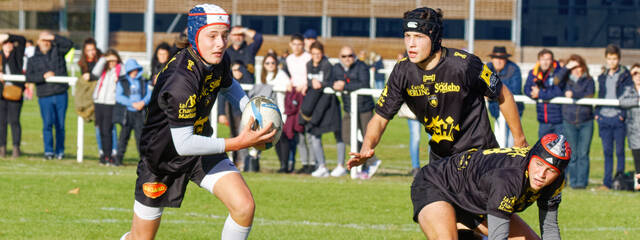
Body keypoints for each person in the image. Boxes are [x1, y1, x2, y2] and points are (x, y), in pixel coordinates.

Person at [120, 4, 275, 240]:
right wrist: (240, 142)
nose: (221, 43)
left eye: (224, 35)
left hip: (201, 148)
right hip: (163, 158)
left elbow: (228, 84)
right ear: (195, 35)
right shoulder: (181, 80)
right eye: (212, 35)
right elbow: (183, 144)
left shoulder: (218, 59)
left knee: (244, 207)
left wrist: (248, 108)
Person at [348, 7, 527, 167]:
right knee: (424, 200)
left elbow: (503, 94)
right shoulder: (402, 71)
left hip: (479, 159)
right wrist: (366, 147)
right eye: (407, 36)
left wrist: (519, 141)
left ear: (435, 38)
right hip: (441, 162)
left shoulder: (465, 65)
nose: (411, 43)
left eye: (418, 37)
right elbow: (380, 118)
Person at [411, 133, 570, 239]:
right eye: (539, 164)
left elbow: (549, 228)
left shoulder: (556, 183)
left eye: (550, 170)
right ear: (530, 157)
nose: (541, 174)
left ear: (559, 173)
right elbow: (498, 237)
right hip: (438, 184)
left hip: (476, 200)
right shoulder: (509, 178)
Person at [334, 46, 382, 179]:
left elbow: (364, 84)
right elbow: (331, 81)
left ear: (354, 56)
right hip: (349, 108)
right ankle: (371, 160)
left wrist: (344, 86)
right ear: (339, 57)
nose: (347, 59)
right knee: (346, 136)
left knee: (369, 138)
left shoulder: (361, 66)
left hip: (364, 107)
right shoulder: (337, 68)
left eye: (350, 55)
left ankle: (368, 164)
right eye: (344, 56)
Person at [298, 42, 345, 177]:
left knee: (338, 133)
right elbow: (309, 81)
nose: (316, 56)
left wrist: (322, 84)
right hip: (315, 104)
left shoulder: (328, 65)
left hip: (329, 103)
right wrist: (309, 83)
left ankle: (341, 165)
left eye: (318, 54)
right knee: (314, 132)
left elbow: (329, 82)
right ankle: (322, 166)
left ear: (322, 54)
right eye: (313, 54)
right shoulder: (308, 65)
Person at [25, 31, 73, 160]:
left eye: (48, 40)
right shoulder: (33, 59)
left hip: (60, 93)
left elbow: (69, 43)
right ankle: (48, 151)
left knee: (60, 125)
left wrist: (52, 36)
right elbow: (29, 77)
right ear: (38, 42)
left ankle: (60, 151)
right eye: (43, 40)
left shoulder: (58, 52)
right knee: (47, 124)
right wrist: (43, 76)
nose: (46, 42)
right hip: (44, 95)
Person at [596, 44, 632, 189]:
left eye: (614, 59)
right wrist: (597, 114)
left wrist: (622, 115)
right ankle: (607, 182)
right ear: (606, 59)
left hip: (618, 118)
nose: (612, 61)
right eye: (609, 59)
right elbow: (600, 95)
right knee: (607, 151)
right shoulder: (602, 77)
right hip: (604, 118)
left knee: (619, 151)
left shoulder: (625, 75)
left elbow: (628, 95)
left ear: (619, 59)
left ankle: (619, 180)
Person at [557, 54, 595, 189]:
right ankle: (573, 182)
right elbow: (556, 82)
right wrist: (566, 68)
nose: (576, 70)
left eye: (578, 66)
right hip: (569, 120)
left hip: (586, 121)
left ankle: (582, 183)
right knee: (572, 154)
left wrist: (573, 95)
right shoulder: (565, 80)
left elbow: (590, 94)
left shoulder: (589, 80)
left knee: (583, 153)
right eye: (573, 67)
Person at [284, 33, 315, 174]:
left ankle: (313, 163)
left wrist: (306, 84)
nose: (296, 47)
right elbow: (290, 76)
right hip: (294, 96)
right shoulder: (289, 59)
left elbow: (311, 75)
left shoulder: (308, 57)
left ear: (303, 45)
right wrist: (289, 83)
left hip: (306, 96)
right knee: (297, 131)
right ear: (290, 45)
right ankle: (304, 163)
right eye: (294, 44)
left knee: (307, 131)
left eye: (299, 44)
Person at [260, 53, 295, 173]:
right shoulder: (262, 76)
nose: (270, 65)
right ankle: (282, 165)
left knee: (283, 138)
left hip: (282, 111)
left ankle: (285, 166)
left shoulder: (281, 74)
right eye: (267, 63)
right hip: (267, 112)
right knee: (275, 139)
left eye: (272, 63)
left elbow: (288, 87)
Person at [114, 58, 151, 166]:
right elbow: (119, 96)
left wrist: (143, 103)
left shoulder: (144, 81)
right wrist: (132, 104)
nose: (134, 72)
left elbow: (149, 93)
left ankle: (144, 160)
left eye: (136, 69)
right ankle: (118, 159)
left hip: (140, 114)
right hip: (127, 114)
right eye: (132, 70)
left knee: (140, 137)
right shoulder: (122, 81)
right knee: (123, 136)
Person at [92, 49, 125, 165]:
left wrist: (117, 62)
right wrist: (104, 59)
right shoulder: (103, 70)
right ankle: (104, 154)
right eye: (109, 60)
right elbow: (95, 72)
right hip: (99, 101)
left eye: (113, 60)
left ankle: (109, 155)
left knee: (107, 130)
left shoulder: (120, 69)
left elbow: (124, 74)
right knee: (100, 129)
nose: (112, 62)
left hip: (111, 103)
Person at [487, 46, 524, 147]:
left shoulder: (514, 69)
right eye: (496, 58)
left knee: (512, 142)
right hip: (495, 110)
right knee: (499, 140)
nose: (498, 61)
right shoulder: (488, 68)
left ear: (506, 59)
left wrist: (491, 94)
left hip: (513, 111)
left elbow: (514, 91)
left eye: (501, 59)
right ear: (492, 59)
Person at [524, 49, 564, 138]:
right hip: (543, 120)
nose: (545, 62)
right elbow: (526, 88)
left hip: (559, 120)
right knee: (543, 149)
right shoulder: (534, 73)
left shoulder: (559, 73)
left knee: (560, 149)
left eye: (548, 59)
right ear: (538, 61)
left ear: (552, 61)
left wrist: (540, 93)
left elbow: (558, 91)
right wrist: (533, 94)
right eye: (543, 59)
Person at [0, 33, 26, 158]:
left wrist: (8, 36)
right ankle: (2, 148)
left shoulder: (17, 54)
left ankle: (16, 147)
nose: (8, 45)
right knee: (1, 122)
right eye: (5, 43)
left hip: (15, 92)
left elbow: (22, 40)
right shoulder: (0, 56)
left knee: (14, 121)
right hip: (1, 93)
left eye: (10, 43)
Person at [619, 63, 640, 191]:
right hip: (634, 132)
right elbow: (622, 101)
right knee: (638, 161)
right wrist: (637, 101)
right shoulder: (628, 90)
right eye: (635, 73)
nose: (638, 76)